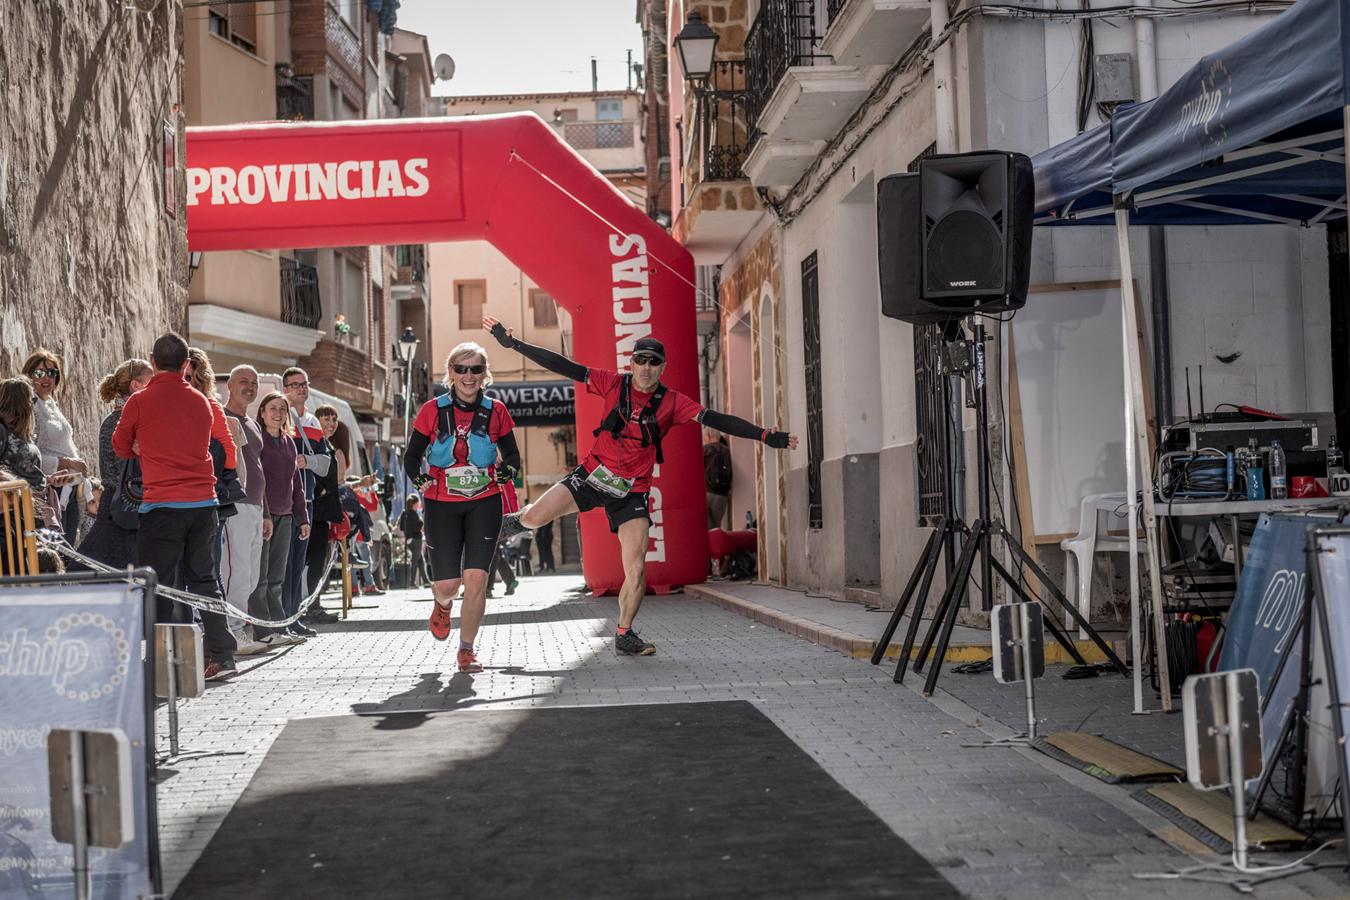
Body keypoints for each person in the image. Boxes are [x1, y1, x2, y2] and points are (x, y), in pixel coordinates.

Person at [486, 315, 797, 656]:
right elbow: (564, 366)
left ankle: (624, 633)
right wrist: (513, 344)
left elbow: (717, 419)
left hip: (631, 491)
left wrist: (765, 436)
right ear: (631, 363)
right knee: (534, 518)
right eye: (641, 360)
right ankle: (507, 524)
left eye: (654, 362)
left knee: (635, 567)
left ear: (663, 367)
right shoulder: (611, 383)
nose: (647, 368)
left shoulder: (674, 402)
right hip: (592, 475)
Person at [113, 333, 237, 680]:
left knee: (160, 585)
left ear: (152, 362)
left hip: (161, 505)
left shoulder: (139, 401)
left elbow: (120, 446)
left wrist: (143, 446)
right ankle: (224, 656)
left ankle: (162, 663)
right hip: (203, 504)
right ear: (186, 365)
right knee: (205, 580)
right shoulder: (202, 401)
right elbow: (217, 448)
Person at [403, 341, 520, 673]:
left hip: (485, 500)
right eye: (461, 369)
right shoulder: (432, 410)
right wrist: (419, 478)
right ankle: (441, 604)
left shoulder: (496, 410)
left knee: (477, 579)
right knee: (449, 585)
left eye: (476, 369)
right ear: (450, 372)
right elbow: (411, 456)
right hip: (441, 503)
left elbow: (513, 457)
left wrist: (505, 472)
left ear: (485, 374)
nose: (469, 376)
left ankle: (466, 650)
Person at [77, 359, 153, 570]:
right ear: (136, 385)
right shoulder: (125, 420)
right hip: (124, 505)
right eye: (151, 381)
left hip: (120, 503)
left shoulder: (116, 418)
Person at [249, 391, 309, 646]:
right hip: (264, 516)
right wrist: (264, 515)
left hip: (286, 517)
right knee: (260, 577)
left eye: (282, 409)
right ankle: (262, 630)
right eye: (272, 408)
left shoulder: (289, 442)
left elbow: (296, 484)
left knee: (277, 578)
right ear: (262, 412)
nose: (278, 413)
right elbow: (257, 481)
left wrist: (303, 517)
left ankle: (278, 626)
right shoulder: (258, 440)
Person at [220, 365, 271, 656]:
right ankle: (232, 633)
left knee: (250, 576)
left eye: (254, 382)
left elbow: (258, 467)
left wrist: (264, 512)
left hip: (254, 507)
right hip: (235, 504)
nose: (249, 387)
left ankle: (239, 628)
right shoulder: (224, 419)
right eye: (243, 382)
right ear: (230, 385)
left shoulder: (251, 423)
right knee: (236, 571)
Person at [279, 367, 330, 634]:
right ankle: (284, 619)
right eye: (295, 384)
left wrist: (306, 461)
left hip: (307, 500)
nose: (301, 388)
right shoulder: (279, 416)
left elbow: (325, 464)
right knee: (284, 563)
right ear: (284, 388)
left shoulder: (312, 421)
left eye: (304, 384)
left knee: (298, 562)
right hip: (284, 501)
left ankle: (294, 617)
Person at [23, 349, 88, 544]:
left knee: (69, 548)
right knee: (57, 548)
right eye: (40, 373)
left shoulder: (50, 403)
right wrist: (66, 462)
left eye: (52, 373)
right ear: (29, 375)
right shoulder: (30, 407)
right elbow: (29, 454)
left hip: (69, 489)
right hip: (50, 492)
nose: (47, 378)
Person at [703, 428, 733, 529]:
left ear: (709, 436)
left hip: (707, 492)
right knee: (716, 527)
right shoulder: (726, 449)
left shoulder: (705, 449)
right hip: (722, 495)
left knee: (704, 527)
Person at [397, 494, 426, 588]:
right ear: (415, 503)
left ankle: (425, 580)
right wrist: (421, 523)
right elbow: (417, 528)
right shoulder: (414, 514)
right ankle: (412, 582)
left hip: (408, 540)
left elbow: (401, 527)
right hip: (416, 539)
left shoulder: (404, 513)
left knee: (420, 561)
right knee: (415, 561)